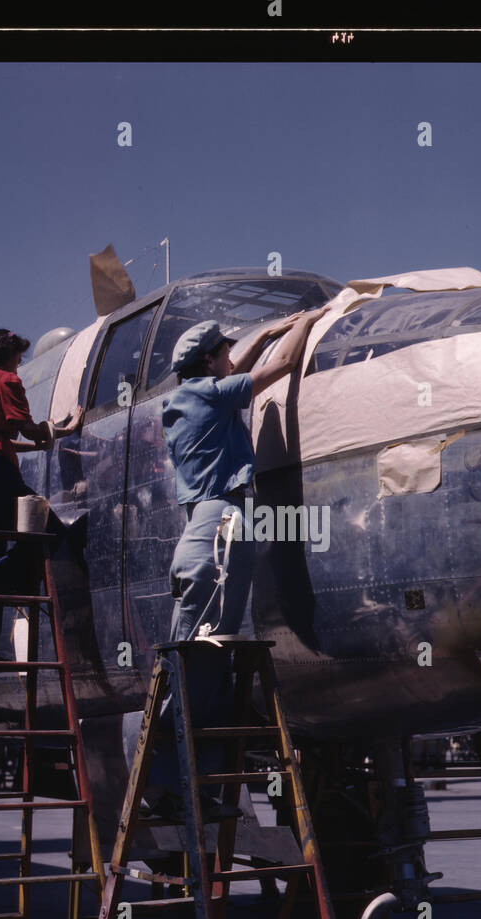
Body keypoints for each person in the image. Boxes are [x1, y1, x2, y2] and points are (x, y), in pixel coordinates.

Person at [141, 307, 327, 821]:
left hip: (206, 529)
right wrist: (306, 324)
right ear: (210, 360)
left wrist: (262, 330)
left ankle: (184, 790)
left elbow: (232, 364)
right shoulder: (209, 393)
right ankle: (167, 788)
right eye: (225, 350)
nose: (232, 356)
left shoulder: (186, 396)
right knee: (200, 664)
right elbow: (279, 367)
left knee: (206, 663)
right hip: (222, 530)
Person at [0, 328, 81, 658]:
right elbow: (28, 429)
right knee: (49, 531)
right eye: (18, 358)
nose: (19, 365)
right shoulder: (6, 380)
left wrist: (45, 437)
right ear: (7, 354)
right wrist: (62, 428)